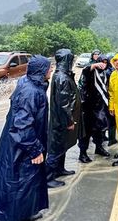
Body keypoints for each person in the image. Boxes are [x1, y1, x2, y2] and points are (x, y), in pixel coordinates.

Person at [0, 55, 52, 221]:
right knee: (21, 183)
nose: (51, 70)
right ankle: (18, 216)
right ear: (41, 71)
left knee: (25, 183)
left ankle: (25, 212)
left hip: (18, 143)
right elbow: (22, 125)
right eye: (48, 68)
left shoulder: (26, 82)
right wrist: (35, 150)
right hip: (23, 146)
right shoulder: (31, 92)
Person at [45, 49, 80, 188]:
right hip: (61, 121)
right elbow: (64, 103)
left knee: (62, 146)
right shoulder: (63, 78)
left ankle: (59, 169)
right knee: (56, 148)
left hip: (59, 119)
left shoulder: (60, 75)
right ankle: (48, 178)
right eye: (70, 60)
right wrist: (69, 121)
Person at [77, 54, 111, 163]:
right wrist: (95, 65)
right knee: (86, 132)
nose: (103, 64)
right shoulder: (91, 72)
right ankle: (83, 153)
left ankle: (99, 148)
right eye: (102, 62)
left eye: (106, 62)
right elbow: (85, 70)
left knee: (100, 130)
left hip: (101, 107)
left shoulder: (107, 73)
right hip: (88, 107)